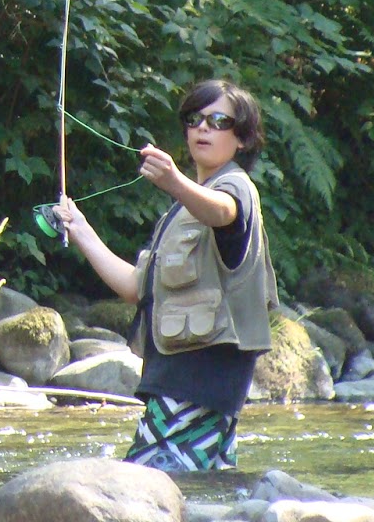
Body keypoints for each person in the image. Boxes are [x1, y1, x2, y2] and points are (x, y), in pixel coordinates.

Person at [53, 78, 277, 472]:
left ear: (241, 138)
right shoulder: (179, 213)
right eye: (195, 119)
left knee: (144, 489)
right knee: (197, 501)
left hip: (201, 379)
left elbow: (222, 212)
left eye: (219, 120)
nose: (204, 128)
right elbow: (133, 288)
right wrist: (81, 230)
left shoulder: (235, 189)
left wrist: (174, 182)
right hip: (176, 379)